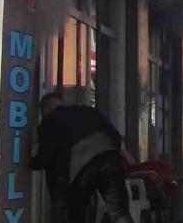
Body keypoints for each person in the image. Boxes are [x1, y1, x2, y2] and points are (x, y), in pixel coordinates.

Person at [30, 93, 133, 223]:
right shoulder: (89, 111)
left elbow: (46, 156)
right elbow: (115, 135)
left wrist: (29, 163)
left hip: (80, 168)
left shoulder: (50, 120)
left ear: (45, 109)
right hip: (108, 158)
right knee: (118, 209)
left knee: (78, 211)